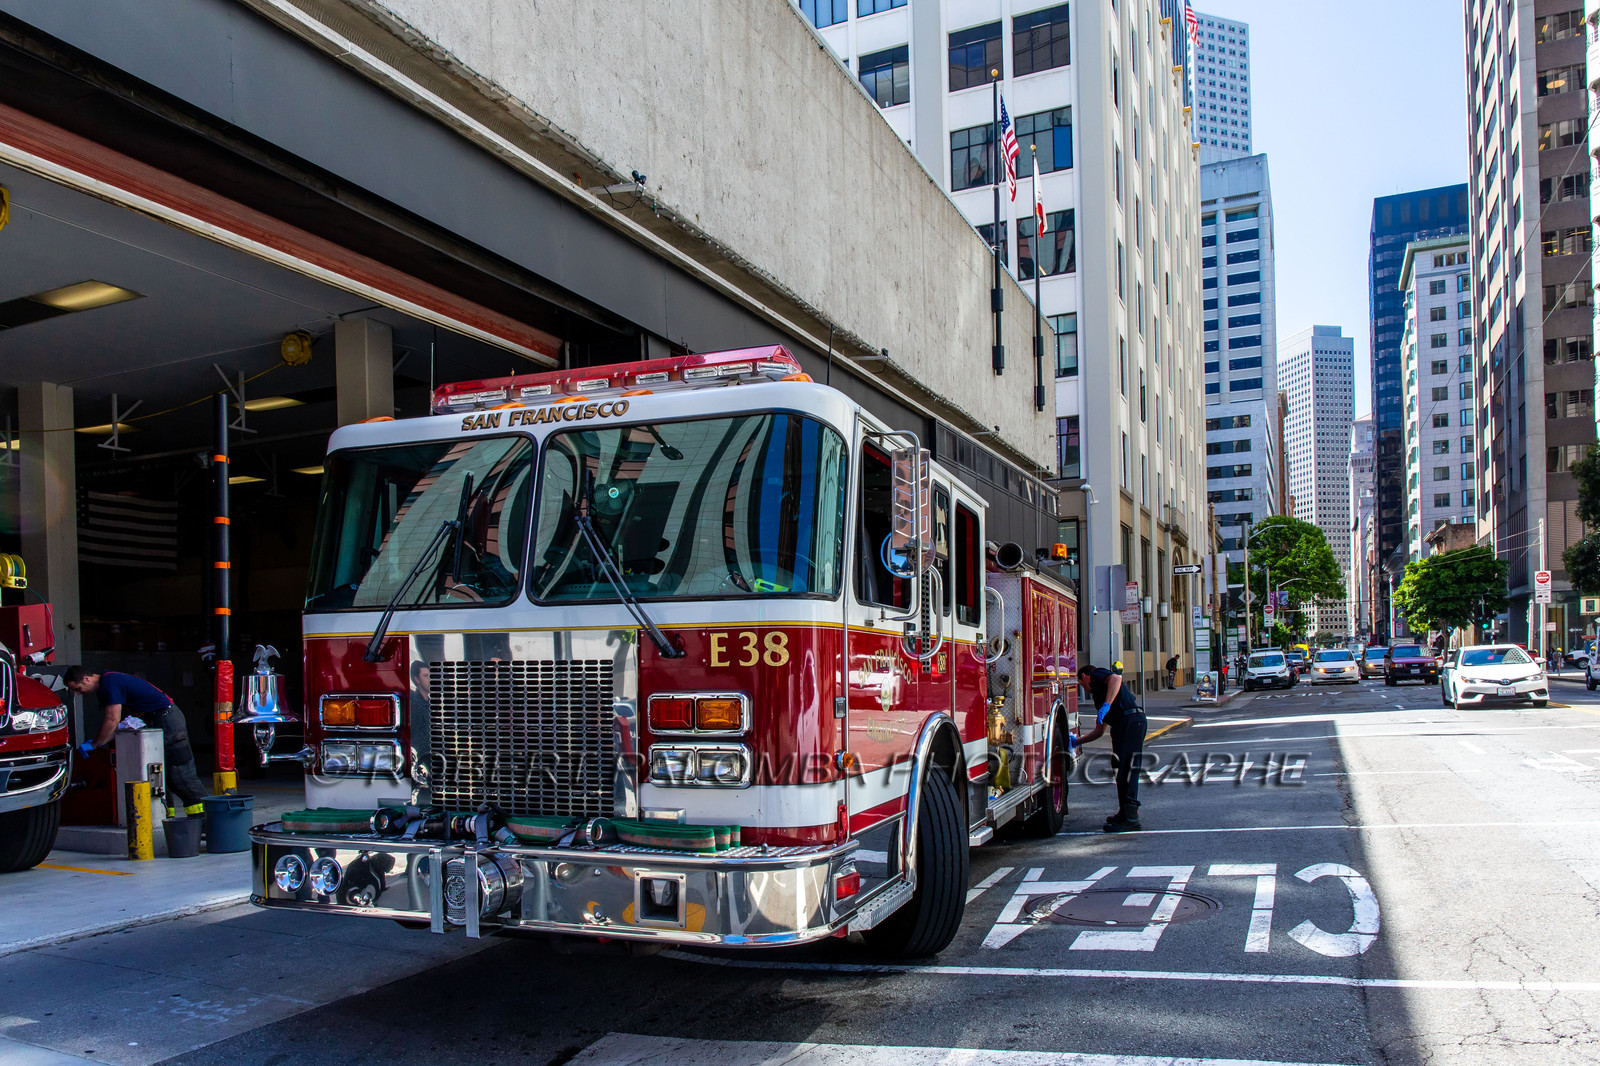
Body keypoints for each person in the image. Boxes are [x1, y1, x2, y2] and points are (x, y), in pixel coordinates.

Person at [63, 667, 208, 816]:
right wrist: (99, 741)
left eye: (78, 689)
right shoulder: (111, 680)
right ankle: (166, 818)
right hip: (158, 720)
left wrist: (95, 744)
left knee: (179, 774)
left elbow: (113, 720)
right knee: (160, 775)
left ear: (86, 679)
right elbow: (121, 724)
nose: (79, 693)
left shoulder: (109, 684)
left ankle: (205, 818)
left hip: (167, 721)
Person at [1071, 663, 1149, 832]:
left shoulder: (1098, 674)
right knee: (1119, 769)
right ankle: (1124, 811)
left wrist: (1107, 705)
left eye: (1081, 684)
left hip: (1131, 720)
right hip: (1124, 724)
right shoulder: (1100, 696)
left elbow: (1116, 678)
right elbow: (1099, 731)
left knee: (1127, 768)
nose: (1083, 689)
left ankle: (1131, 817)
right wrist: (1076, 742)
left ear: (1084, 677)